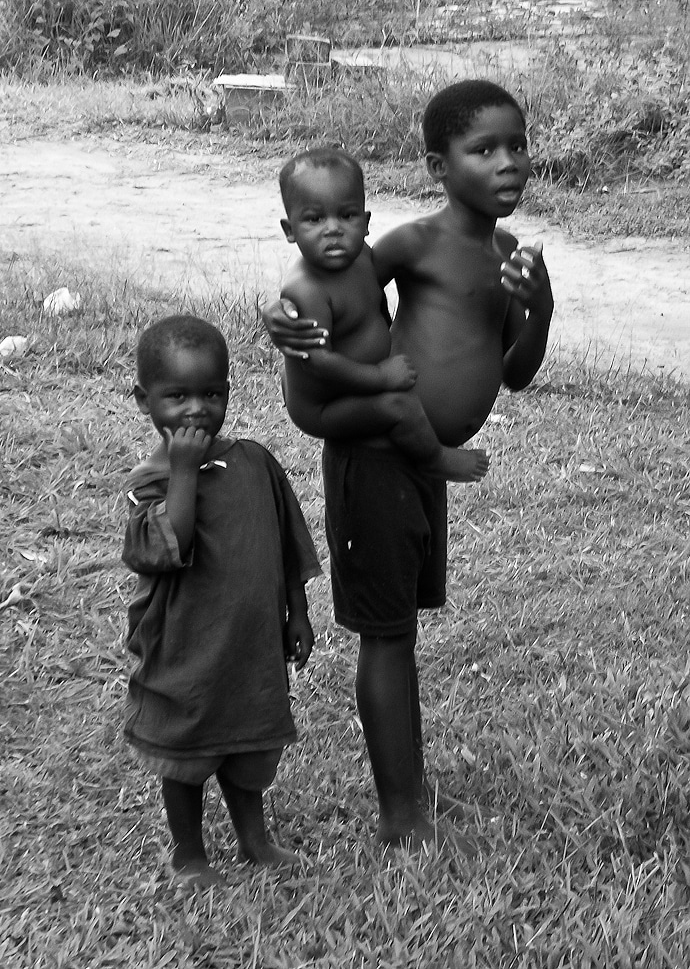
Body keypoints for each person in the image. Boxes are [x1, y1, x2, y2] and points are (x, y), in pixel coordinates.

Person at [263, 80, 554, 847]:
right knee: (386, 634)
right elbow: (331, 272)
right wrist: (283, 316)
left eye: (517, 145)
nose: (508, 163)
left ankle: (409, 790)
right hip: (377, 456)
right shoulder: (413, 243)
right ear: (437, 165)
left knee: (402, 630)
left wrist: (541, 307)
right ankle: (401, 815)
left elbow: (517, 371)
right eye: (483, 148)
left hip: (423, 464)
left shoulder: (505, 257)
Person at [122, 315, 321, 885]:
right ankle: (189, 855)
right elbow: (168, 547)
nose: (195, 411)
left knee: (248, 751)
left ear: (229, 392)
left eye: (211, 394)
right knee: (184, 757)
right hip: (183, 651)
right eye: (176, 397)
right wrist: (185, 471)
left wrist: (298, 612)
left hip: (249, 646)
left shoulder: (253, 463)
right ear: (145, 400)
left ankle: (254, 840)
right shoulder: (151, 484)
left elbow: (285, 543)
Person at [278, 146, 489, 483]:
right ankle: (435, 458)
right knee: (398, 407)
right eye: (314, 219)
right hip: (322, 405)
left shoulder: (362, 256)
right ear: (291, 230)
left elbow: (375, 306)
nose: (332, 229)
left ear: (365, 223)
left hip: (353, 383)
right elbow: (317, 362)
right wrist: (379, 376)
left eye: (346, 216)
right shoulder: (307, 290)